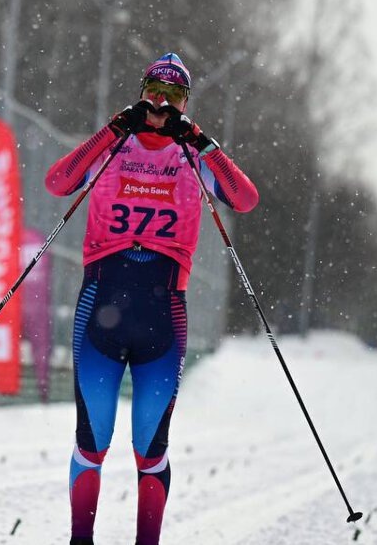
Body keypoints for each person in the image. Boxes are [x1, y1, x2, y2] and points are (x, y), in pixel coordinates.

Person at [45, 53, 259, 545]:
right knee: (91, 441)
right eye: (153, 92)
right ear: (140, 93)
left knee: (150, 447)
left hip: (162, 314)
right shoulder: (113, 146)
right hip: (101, 304)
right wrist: (113, 127)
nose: (161, 104)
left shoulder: (192, 157)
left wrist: (203, 142)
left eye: (175, 96)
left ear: (186, 104)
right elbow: (57, 184)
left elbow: (244, 199)